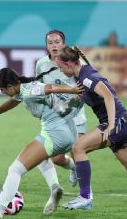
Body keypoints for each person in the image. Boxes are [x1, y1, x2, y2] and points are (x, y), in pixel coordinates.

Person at [56, 46, 127, 219]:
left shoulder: (87, 77)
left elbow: (109, 96)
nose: (60, 70)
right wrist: (67, 105)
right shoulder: (80, 77)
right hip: (121, 123)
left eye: (60, 67)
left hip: (117, 122)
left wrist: (111, 124)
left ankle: (85, 196)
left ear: (69, 63)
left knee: (78, 148)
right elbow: (83, 97)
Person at [0, 67, 83, 218]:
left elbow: (49, 88)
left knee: (15, 169)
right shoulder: (22, 90)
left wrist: (72, 89)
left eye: (2, 90)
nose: (2, 93)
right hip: (68, 131)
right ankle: (56, 186)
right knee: (42, 159)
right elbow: (13, 101)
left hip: (55, 133)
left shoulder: (30, 90)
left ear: (10, 86)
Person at [35, 29, 88, 189]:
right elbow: (40, 87)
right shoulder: (41, 64)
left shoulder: (75, 61)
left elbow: (88, 82)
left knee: (78, 150)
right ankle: (73, 168)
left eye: (57, 42)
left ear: (63, 43)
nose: (54, 46)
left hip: (76, 114)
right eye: (50, 43)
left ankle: (85, 194)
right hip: (56, 117)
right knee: (57, 158)